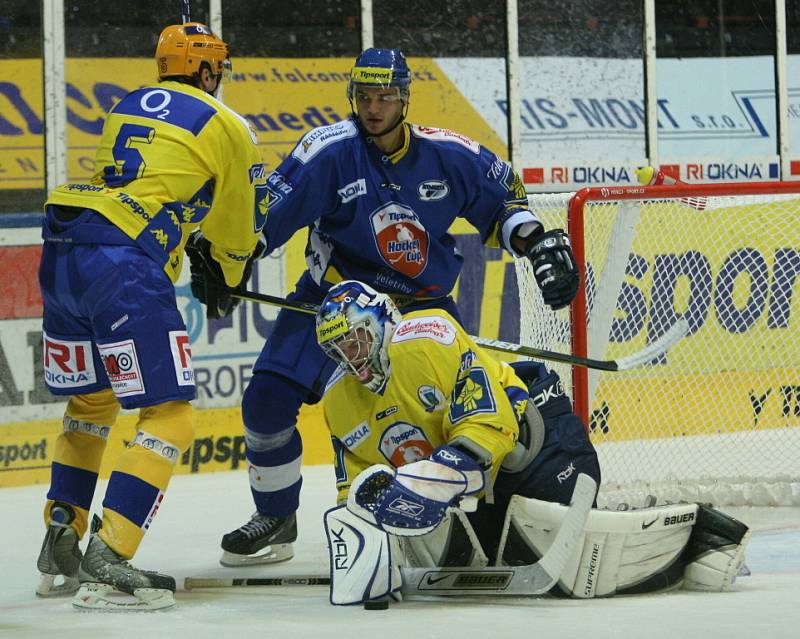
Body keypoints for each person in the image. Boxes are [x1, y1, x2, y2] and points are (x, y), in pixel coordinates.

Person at [216, 47, 581, 566]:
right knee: (265, 404)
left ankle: (475, 516)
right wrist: (225, 259)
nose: (373, 107)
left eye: (385, 96)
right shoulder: (327, 151)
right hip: (333, 303)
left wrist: (536, 241)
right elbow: (265, 216)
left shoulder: (449, 155)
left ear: (405, 98)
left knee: (458, 411)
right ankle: (276, 516)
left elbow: (505, 204)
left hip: (421, 309)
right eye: (364, 96)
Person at [313, 280, 751, 604]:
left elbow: (491, 425)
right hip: (472, 488)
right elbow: (356, 484)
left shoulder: (427, 337)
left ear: (384, 320)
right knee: (475, 559)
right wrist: (365, 540)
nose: (351, 359)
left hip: (536, 442)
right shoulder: (338, 400)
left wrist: (432, 479)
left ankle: (705, 535)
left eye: (356, 339)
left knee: (574, 566)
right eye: (338, 350)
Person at [35, 22, 266, 610]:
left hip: (65, 248)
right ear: (210, 70)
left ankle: (60, 535)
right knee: (170, 416)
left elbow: (152, 182)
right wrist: (229, 274)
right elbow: (237, 222)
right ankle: (111, 554)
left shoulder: (125, 105)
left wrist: (188, 241)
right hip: (124, 265)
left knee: (90, 405)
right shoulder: (228, 124)